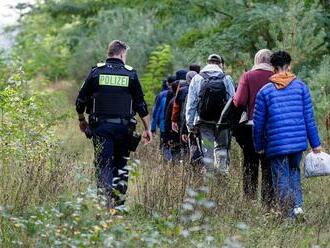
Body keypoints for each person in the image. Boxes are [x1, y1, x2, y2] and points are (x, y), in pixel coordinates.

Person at [75, 40, 152, 209]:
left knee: (103, 165)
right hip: (124, 129)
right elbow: (140, 104)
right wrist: (148, 129)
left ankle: (104, 206)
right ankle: (118, 206)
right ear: (122, 54)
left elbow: (80, 101)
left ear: (109, 52)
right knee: (121, 165)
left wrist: (82, 120)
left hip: (101, 128)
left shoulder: (95, 72)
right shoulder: (130, 74)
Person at [253, 51, 322, 218]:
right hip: (298, 143)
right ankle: (297, 208)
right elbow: (309, 118)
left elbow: (258, 124)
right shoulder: (301, 87)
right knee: (294, 172)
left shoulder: (264, 92)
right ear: (289, 66)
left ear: (273, 69)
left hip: (276, 144)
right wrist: (316, 145)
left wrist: (259, 145)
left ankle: (288, 214)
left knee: (281, 177)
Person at [233, 49, 274, 207]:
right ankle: (268, 203)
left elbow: (240, 101)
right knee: (268, 165)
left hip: (251, 126)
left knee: (250, 164)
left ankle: (249, 200)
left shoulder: (248, 76)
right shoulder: (276, 77)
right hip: (271, 128)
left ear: (257, 60)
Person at [186, 54, 235, 173]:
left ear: (207, 63)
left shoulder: (197, 78)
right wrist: (232, 123)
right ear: (220, 64)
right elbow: (233, 101)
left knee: (207, 150)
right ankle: (222, 174)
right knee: (222, 148)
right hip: (222, 122)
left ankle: (209, 178)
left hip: (204, 122)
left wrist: (190, 125)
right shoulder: (226, 78)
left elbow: (191, 104)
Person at [151, 75, 176, 160]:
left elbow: (156, 112)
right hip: (176, 125)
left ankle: (167, 161)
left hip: (163, 125)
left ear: (167, 83)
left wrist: (153, 127)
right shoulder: (179, 92)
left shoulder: (161, 95)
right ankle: (175, 163)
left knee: (165, 144)